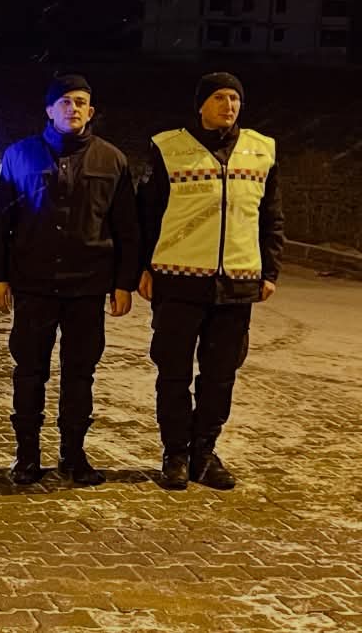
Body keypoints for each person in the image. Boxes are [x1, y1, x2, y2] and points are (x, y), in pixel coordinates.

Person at [0, 74, 139, 487]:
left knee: (80, 374)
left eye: (81, 102)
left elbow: (127, 226)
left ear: (91, 111)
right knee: (29, 371)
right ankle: (27, 457)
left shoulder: (112, 160)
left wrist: (123, 282)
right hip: (33, 284)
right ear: (49, 110)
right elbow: (1, 224)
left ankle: (74, 456)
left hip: (87, 287)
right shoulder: (19, 156)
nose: (73, 109)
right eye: (65, 102)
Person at [137, 72, 283, 491]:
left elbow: (272, 217)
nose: (229, 105)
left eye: (235, 98)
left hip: (236, 285)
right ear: (201, 105)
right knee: (173, 374)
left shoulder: (262, 150)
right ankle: (176, 453)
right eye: (219, 97)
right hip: (177, 283)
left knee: (220, 375)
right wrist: (141, 268)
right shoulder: (169, 147)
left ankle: (205, 451)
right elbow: (147, 214)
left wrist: (269, 271)